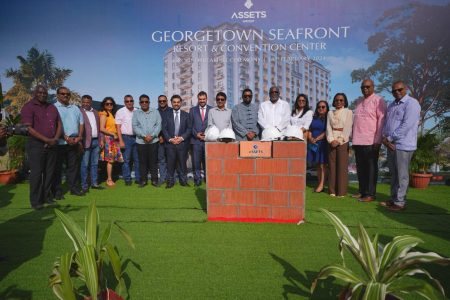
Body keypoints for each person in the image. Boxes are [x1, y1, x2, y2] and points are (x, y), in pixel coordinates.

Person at [380, 81, 421, 211]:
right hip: (390, 144)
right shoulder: (392, 105)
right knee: (394, 174)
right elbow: (387, 124)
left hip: (403, 145)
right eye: (394, 90)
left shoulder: (412, 103)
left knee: (402, 175)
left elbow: (407, 125)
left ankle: (400, 202)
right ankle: (393, 199)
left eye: (400, 89)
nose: (397, 92)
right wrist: (385, 139)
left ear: (406, 88)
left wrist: (390, 138)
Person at [20, 85, 62, 210]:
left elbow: (59, 124)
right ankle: (36, 201)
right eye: (40, 92)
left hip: (52, 144)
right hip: (36, 145)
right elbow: (28, 128)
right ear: (35, 93)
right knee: (37, 174)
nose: (42, 94)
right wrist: (46, 140)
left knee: (49, 173)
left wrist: (54, 139)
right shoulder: (28, 107)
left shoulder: (52, 107)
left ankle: (46, 197)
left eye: (44, 93)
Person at [352, 79, 387, 202]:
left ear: (373, 87)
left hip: (371, 141)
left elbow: (381, 121)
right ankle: (362, 191)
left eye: (367, 86)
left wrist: (378, 140)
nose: (365, 89)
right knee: (360, 168)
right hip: (358, 140)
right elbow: (356, 122)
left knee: (371, 169)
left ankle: (370, 194)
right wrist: (353, 139)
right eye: (363, 87)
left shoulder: (379, 100)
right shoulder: (359, 101)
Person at [53, 86, 85, 198]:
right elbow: (54, 125)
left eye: (67, 94)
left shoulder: (75, 108)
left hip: (74, 142)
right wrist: (65, 137)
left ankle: (74, 188)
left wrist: (80, 137)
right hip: (60, 143)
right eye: (62, 94)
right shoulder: (53, 108)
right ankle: (57, 191)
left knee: (73, 167)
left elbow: (81, 123)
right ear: (57, 95)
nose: (65, 95)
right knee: (57, 169)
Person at [161, 95, 192, 188]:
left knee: (182, 164)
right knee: (170, 164)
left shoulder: (186, 115)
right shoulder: (167, 115)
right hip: (170, 144)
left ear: (181, 103)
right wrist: (170, 139)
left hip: (182, 144)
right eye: (174, 102)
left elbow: (189, 129)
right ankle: (170, 182)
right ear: (171, 103)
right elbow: (164, 129)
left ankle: (183, 181)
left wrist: (181, 138)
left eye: (178, 102)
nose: (176, 104)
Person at [132, 94, 162, 188]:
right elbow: (135, 126)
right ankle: (143, 180)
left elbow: (159, 124)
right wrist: (144, 136)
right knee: (142, 162)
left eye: (146, 101)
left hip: (153, 141)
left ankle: (154, 180)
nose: (144, 103)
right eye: (142, 102)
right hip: (141, 141)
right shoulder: (136, 113)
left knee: (153, 161)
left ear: (149, 102)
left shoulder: (155, 112)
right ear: (139, 103)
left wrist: (152, 136)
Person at [327, 93, 353, 197]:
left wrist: (340, 140)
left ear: (345, 101)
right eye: (337, 100)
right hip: (332, 140)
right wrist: (331, 140)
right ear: (334, 101)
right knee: (332, 166)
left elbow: (348, 128)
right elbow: (328, 128)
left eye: (341, 100)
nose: (339, 102)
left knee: (342, 166)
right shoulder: (330, 113)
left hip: (343, 141)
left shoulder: (349, 112)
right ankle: (332, 190)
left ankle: (341, 191)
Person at [79, 95, 104, 193]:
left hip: (96, 141)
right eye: (84, 102)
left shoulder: (95, 112)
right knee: (84, 164)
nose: (85, 104)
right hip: (86, 141)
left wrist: (101, 140)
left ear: (91, 102)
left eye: (87, 102)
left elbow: (99, 128)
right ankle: (84, 185)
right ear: (81, 102)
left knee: (95, 164)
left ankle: (94, 183)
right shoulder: (79, 112)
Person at [99, 97, 124, 187]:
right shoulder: (104, 114)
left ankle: (109, 178)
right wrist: (113, 135)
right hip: (109, 139)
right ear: (104, 105)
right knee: (110, 160)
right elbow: (101, 128)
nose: (109, 105)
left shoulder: (111, 114)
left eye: (111, 104)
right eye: (107, 104)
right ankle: (109, 179)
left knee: (112, 160)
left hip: (113, 139)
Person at [115, 94, 140, 185]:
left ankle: (138, 178)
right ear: (124, 102)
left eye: (131, 101)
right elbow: (118, 127)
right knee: (126, 160)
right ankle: (128, 179)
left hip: (137, 138)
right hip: (126, 138)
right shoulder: (120, 111)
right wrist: (121, 140)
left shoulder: (137, 111)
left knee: (137, 160)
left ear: (133, 101)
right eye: (127, 101)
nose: (129, 102)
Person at [189, 91, 212, 186]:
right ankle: (197, 180)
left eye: (204, 99)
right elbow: (190, 125)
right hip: (196, 140)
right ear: (198, 99)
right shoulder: (192, 110)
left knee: (207, 161)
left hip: (207, 140)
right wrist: (196, 134)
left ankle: (208, 179)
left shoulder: (212, 109)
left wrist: (208, 135)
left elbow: (213, 125)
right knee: (196, 162)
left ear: (206, 99)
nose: (202, 101)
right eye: (200, 99)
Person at [307, 100, 329, 193]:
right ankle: (320, 182)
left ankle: (322, 184)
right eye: (319, 107)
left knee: (322, 165)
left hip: (323, 143)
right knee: (317, 165)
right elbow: (310, 129)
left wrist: (316, 139)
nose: (321, 108)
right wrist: (311, 138)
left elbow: (327, 131)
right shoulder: (314, 118)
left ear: (327, 108)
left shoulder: (328, 118)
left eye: (323, 107)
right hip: (313, 144)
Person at [157, 95, 171, 184]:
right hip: (159, 139)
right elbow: (154, 125)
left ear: (167, 101)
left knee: (170, 160)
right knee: (161, 160)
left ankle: (170, 178)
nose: (162, 102)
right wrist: (159, 136)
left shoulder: (171, 111)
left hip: (170, 139)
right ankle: (162, 178)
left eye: (163, 101)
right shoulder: (155, 112)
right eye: (160, 101)